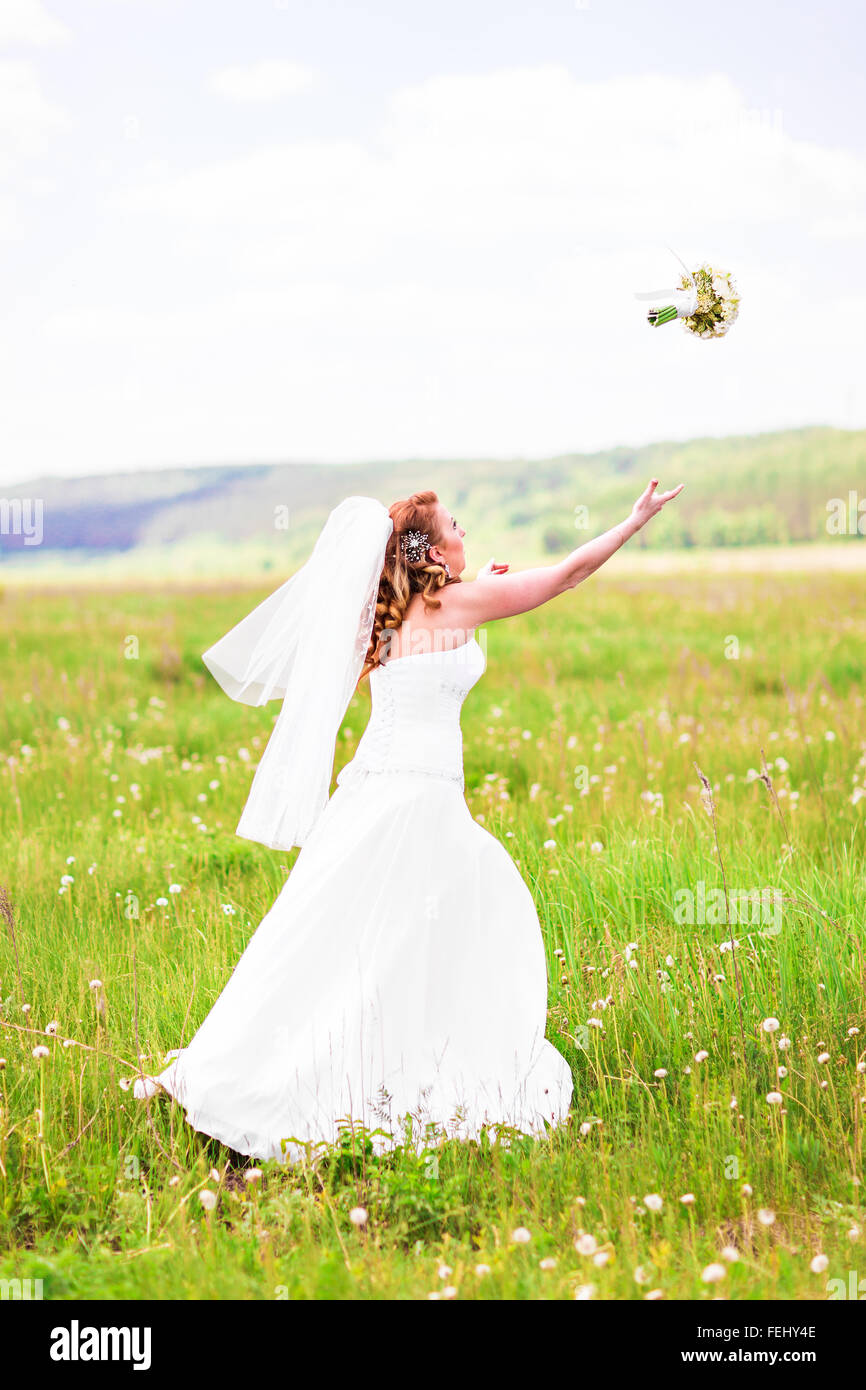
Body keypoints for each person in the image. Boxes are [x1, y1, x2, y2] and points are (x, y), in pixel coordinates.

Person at [134, 478, 683, 1162]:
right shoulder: (458, 603)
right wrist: (632, 521)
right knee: (433, 928)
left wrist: (475, 585)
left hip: (375, 792)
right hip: (418, 801)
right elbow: (568, 575)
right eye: (456, 527)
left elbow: (445, 627)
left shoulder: (385, 614)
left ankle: (284, 1068)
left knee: (343, 940)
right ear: (430, 548)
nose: (466, 536)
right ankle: (384, 1077)